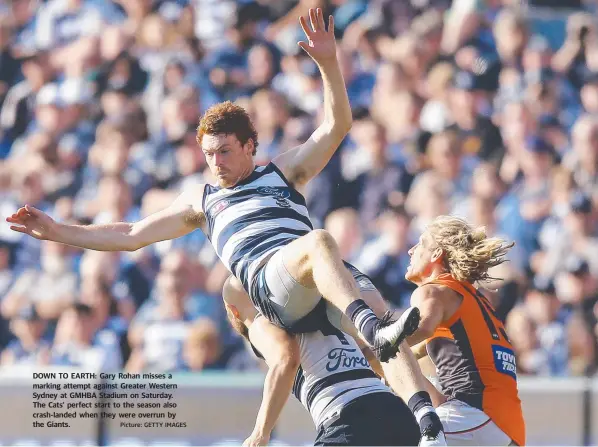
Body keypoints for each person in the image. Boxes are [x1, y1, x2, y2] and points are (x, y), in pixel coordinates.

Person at [6, 8, 417, 361]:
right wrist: (58, 231)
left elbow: (336, 126)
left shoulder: (282, 170)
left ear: (249, 146)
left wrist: (329, 63)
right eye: (208, 154)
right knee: (323, 246)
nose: (214, 163)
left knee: (392, 344)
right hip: (273, 294)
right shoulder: (202, 201)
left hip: (314, 285)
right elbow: (130, 234)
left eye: (223, 152)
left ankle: (430, 415)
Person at [223, 274, 422, 447]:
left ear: (234, 311)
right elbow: (373, 356)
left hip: (348, 418)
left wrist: (260, 434)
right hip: (394, 411)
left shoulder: (261, 322)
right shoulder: (323, 309)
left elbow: (286, 360)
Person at [404, 215, 526, 446]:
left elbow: (419, 329)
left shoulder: (433, 290)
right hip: (508, 430)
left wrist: (369, 348)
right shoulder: (476, 300)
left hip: (471, 415)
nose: (411, 250)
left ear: (436, 254)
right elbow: (408, 357)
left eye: (420, 243)